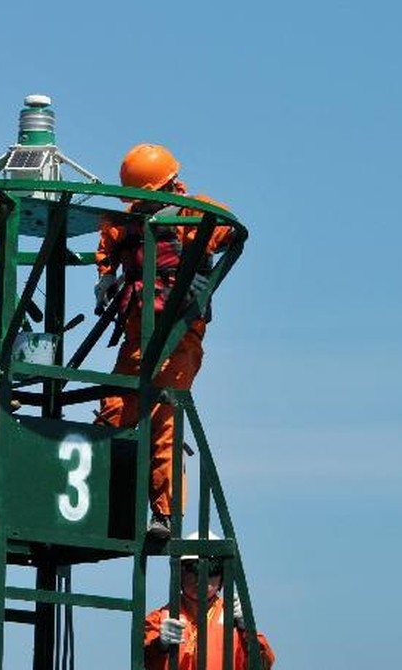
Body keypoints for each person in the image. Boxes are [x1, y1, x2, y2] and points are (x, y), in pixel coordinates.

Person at [93, 144, 237, 538]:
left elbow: (223, 227)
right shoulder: (124, 223)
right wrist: (105, 277)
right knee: (113, 411)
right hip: (138, 337)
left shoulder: (193, 213)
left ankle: (165, 514)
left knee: (164, 420)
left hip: (179, 335)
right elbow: (107, 248)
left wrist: (192, 229)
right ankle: (105, 501)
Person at [144, 532, 276, 670]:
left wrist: (247, 630)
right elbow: (143, 662)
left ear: (223, 578)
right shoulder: (158, 620)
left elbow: (263, 665)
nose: (202, 580)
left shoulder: (236, 620)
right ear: (180, 573)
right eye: (193, 569)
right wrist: (159, 646)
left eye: (212, 571)